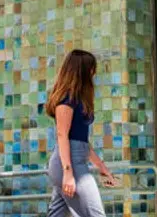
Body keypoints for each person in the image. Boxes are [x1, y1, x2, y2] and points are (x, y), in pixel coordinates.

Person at [45, 49, 117, 217]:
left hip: (73, 161)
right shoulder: (66, 100)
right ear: (82, 71)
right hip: (68, 164)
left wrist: (102, 167)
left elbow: (82, 143)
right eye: (91, 69)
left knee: (56, 213)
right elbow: (62, 136)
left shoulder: (78, 99)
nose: (94, 73)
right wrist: (68, 173)